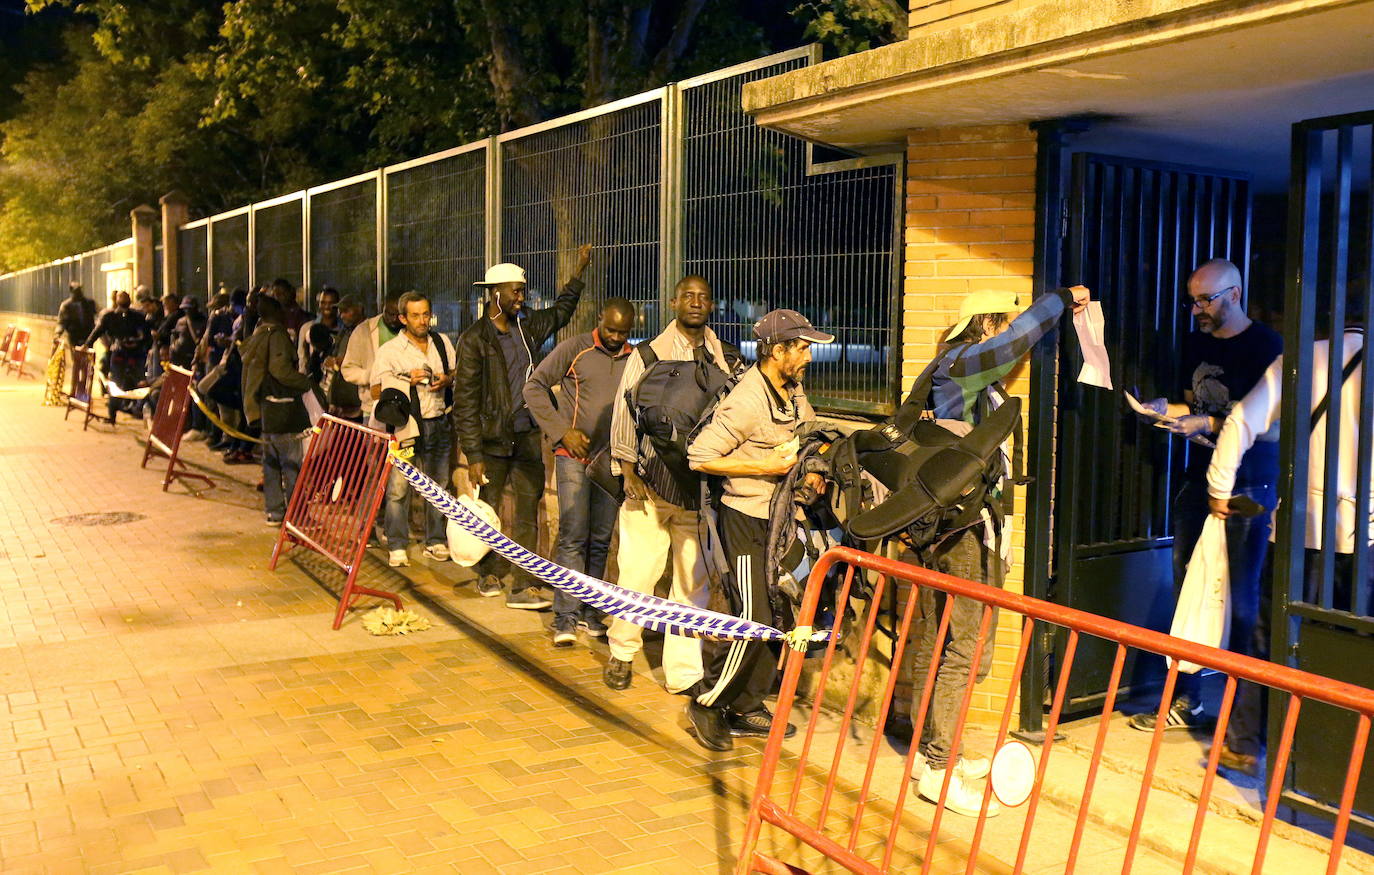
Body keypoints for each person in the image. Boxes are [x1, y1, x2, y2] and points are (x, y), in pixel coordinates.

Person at [904, 282, 1090, 816]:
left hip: (954, 528)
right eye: (1001, 325)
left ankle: (931, 754)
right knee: (965, 651)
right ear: (985, 325)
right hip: (962, 533)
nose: (1008, 336)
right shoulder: (961, 364)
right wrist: (1059, 298)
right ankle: (939, 771)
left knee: (945, 647)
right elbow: (1016, 342)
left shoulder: (955, 374)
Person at [1128, 259, 1282, 743]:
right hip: (1199, 481)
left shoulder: (1268, 348)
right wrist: (1164, 412)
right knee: (1188, 589)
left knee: (1242, 602)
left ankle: (1245, 723)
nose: (1197, 309)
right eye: (1192, 299)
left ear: (1234, 294)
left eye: (1205, 300)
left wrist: (1209, 425)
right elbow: (1193, 408)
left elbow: (1272, 427)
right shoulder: (1193, 344)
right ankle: (1188, 698)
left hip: (1247, 485)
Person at [1204, 306, 1360, 775]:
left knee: (1270, 638)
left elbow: (1239, 423)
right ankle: (1333, 763)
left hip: (1301, 530)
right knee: (1351, 650)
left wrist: (1218, 490)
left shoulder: (1303, 360)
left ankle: (1246, 743)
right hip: (1363, 537)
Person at [683, 309, 833, 751]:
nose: (808, 356)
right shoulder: (748, 399)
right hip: (745, 520)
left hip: (781, 520)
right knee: (753, 620)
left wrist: (813, 469)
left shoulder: (791, 388)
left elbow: (807, 434)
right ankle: (707, 703)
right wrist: (762, 465)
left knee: (781, 615)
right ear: (777, 350)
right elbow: (699, 455)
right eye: (802, 348)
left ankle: (747, 706)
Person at [602, 276, 737, 692]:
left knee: (691, 585)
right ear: (674, 302)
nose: (695, 303)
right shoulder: (648, 354)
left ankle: (684, 674)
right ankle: (622, 653)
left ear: (711, 305)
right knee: (637, 575)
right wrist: (626, 470)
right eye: (688, 297)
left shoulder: (725, 358)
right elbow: (625, 413)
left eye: (703, 297)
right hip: (648, 485)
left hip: (697, 492)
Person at [454, 246, 591, 609]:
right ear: (494, 293)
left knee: (529, 510)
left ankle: (524, 584)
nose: (521, 296)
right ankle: (488, 572)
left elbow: (561, 313)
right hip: (491, 441)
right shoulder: (474, 340)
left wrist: (577, 275)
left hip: (527, 437)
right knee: (490, 510)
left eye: (522, 290)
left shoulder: (526, 327)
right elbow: (465, 402)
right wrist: (474, 453)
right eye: (515, 291)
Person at [523, 297, 637, 645]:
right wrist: (561, 432)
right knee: (573, 535)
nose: (616, 337)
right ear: (599, 318)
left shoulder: (635, 359)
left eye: (623, 331)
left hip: (611, 463)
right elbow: (534, 388)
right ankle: (565, 618)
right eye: (610, 329)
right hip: (573, 457)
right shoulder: (575, 348)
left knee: (601, 539)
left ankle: (591, 612)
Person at [371, 291, 457, 567]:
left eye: (425, 314)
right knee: (398, 487)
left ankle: (435, 541)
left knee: (439, 486)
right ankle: (397, 544)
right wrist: (407, 380)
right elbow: (375, 390)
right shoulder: (390, 352)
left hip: (439, 423)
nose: (422, 321)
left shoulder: (442, 343)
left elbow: (455, 372)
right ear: (402, 318)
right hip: (406, 429)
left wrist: (446, 380)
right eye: (415, 315)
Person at [241, 295, 314, 525]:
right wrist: (306, 382)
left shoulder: (258, 335)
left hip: (265, 408)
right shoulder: (278, 336)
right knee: (290, 463)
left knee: (271, 462)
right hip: (283, 410)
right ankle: (297, 515)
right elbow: (281, 371)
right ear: (277, 313)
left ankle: (275, 512)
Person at [83, 290, 150, 421]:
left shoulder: (135, 316)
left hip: (131, 354)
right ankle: (115, 412)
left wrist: (138, 343)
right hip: (122, 354)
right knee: (117, 382)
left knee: (134, 382)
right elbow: (98, 331)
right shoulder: (112, 316)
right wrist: (87, 344)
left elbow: (146, 335)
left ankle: (135, 410)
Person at [341, 291, 404, 424]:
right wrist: (373, 377)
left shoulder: (409, 330)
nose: (394, 319)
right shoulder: (364, 330)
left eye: (398, 315)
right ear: (382, 307)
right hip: (373, 407)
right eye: (390, 314)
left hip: (406, 408)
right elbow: (348, 369)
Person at [322, 296, 366, 422]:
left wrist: (341, 362)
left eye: (346, 311)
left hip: (358, 403)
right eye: (340, 312)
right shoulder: (345, 331)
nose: (342, 315)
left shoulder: (368, 331)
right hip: (341, 404)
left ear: (359, 309)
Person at [298, 286, 342, 373]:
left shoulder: (344, 329)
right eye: (323, 302)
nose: (326, 306)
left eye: (331, 303)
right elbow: (303, 358)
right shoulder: (307, 328)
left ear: (337, 304)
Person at [56, 281, 96, 347]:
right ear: (72, 292)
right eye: (77, 291)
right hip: (74, 336)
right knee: (76, 355)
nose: (79, 293)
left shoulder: (89, 303)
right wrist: (58, 333)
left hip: (87, 334)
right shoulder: (66, 305)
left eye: (79, 291)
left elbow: (97, 315)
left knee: (88, 355)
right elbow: (61, 322)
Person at [272, 278, 309, 343]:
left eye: (283, 293)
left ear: (290, 292)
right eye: (277, 294)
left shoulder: (301, 316)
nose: (280, 297)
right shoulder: (272, 316)